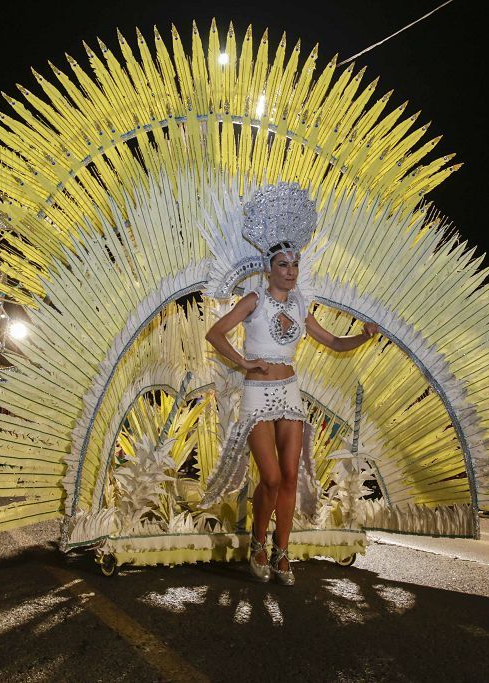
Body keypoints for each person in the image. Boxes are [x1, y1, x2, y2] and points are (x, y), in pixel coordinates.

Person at [202, 182, 377, 585]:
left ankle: (283, 551)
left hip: (290, 391)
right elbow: (216, 333)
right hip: (258, 393)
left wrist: (363, 336)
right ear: (269, 268)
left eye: (294, 264)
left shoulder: (300, 304)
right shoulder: (253, 301)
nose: (291, 271)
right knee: (273, 477)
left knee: (291, 478)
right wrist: (246, 361)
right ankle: (258, 544)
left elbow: (332, 341)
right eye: (283, 264)